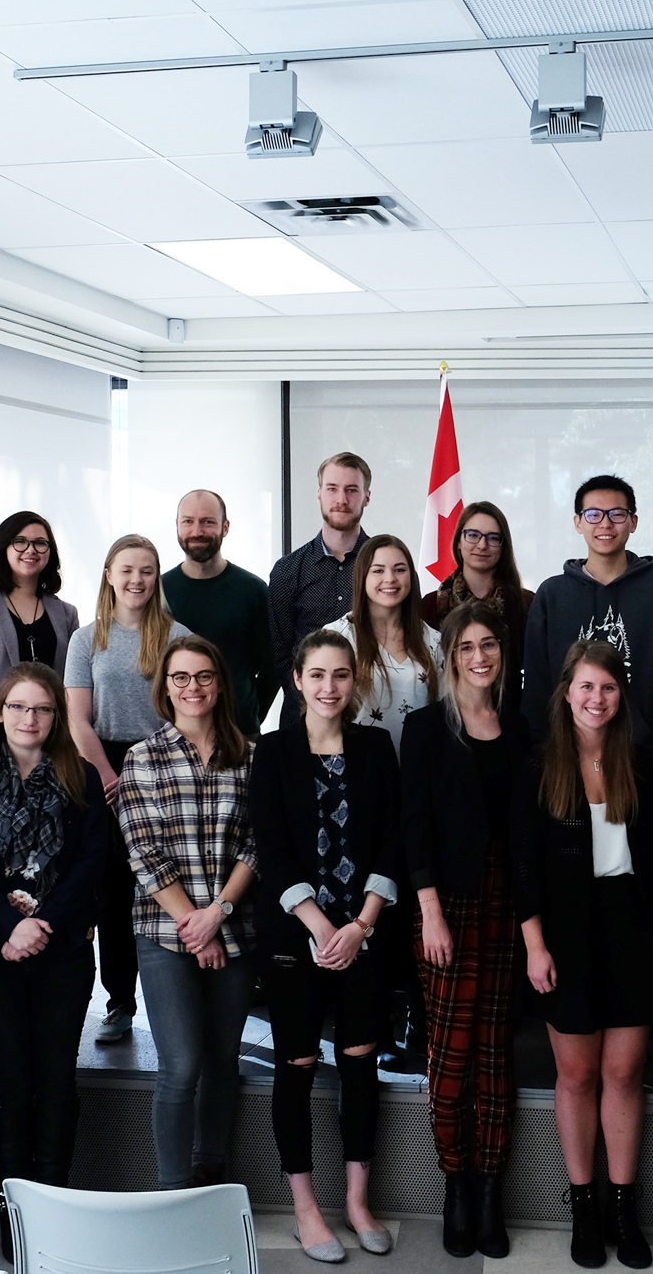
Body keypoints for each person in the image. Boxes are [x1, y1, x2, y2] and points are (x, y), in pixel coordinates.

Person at [513, 641, 653, 1271]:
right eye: (585, 687)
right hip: (563, 935)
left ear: (621, 696)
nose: (596, 699)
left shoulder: (643, 762)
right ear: (565, 693)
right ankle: (583, 1205)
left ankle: (623, 1205)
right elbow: (523, 868)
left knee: (623, 1074)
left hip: (632, 929)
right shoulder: (539, 767)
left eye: (607, 688)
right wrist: (534, 945)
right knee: (577, 1075)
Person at [247, 630, 402, 1262]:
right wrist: (319, 926)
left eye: (340, 675)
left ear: (354, 680)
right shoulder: (274, 751)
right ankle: (307, 1211)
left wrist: (360, 926)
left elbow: (393, 840)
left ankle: (358, 1203)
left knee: (361, 1063)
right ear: (297, 679)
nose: (329, 687)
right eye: (317, 675)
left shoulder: (376, 746)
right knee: (298, 1067)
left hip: (364, 932)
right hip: (297, 936)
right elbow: (272, 847)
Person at [0, 664, 110, 1220]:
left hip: (61, 950)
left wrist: (41, 923)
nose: (29, 718)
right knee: (13, 1080)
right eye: (18, 707)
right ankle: (16, 1207)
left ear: (55, 718)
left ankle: (53, 1202)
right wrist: (10, 925)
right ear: (0, 714)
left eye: (41, 708)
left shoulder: (81, 778)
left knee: (56, 1079)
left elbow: (93, 862)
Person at [401, 601, 529, 1258]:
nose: (479, 657)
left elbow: (526, 835)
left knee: (493, 1058)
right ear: (448, 656)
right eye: (466, 647)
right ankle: (455, 1182)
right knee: (449, 1062)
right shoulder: (425, 728)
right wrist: (427, 913)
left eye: (489, 645)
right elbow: (414, 827)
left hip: (506, 904)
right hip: (444, 905)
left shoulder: (519, 725)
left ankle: (489, 1189)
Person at [117, 637, 259, 1190]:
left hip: (236, 928)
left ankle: (211, 1166)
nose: (193, 687)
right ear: (165, 687)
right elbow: (142, 852)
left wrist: (218, 914)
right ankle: (174, 1189)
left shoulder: (250, 754)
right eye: (180, 678)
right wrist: (198, 929)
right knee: (181, 1065)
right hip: (164, 933)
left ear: (220, 684)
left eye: (204, 676)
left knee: (224, 1058)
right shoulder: (142, 757)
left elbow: (259, 844)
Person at [67, 533, 193, 1043]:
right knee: (114, 889)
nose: (137, 579)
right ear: (109, 575)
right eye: (127, 570)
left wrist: (149, 770)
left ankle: (181, 996)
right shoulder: (86, 638)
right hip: (104, 765)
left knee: (167, 879)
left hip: (166, 761)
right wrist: (107, 775)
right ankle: (119, 1001)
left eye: (146, 570)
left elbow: (189, 707)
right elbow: (77, 718)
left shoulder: (177, 636)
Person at [523, 474, 653, 753]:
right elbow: (537, 686)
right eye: (593, 514)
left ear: (633, 522)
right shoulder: (552, 594)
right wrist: (541, 753)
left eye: (617, 514)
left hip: (647, 754)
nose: (605, 523)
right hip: (567, 757)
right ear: (578, 522)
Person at [161, 488, 279, 733]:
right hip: (174, 734)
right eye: (188, 522)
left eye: (207, 522)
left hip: (239, 734)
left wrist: (251, 714)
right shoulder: (159, 591)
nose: (197, 531)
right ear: (176, 526)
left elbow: (272, 665)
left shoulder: (253, 590)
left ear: (225, 527)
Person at [269, 452, 374, 715]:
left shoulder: (387, 570)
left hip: (374, 713)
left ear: (367, 497)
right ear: (319, 494)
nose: (341, 500)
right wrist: (314, 701)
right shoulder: (287, 571)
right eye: (332, 489)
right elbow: (279, 655)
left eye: (352, 490)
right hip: (302, 718)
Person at [329, 533, 445, 752]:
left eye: (400, 569)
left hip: (419, 767)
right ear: (362, 576)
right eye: (378, 570)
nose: (390, 578)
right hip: (360, 767)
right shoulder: (337, 638)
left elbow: (446, 711)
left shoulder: (434, 641)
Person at [0, 511, 80, 680]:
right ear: (4, 548)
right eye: (20, 542)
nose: (31, 550)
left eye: (40, 543)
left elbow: (73, 679)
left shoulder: (67, 614)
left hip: (51, 706)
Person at [425, 500, 534, 678]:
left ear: (503, 546)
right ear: (459, 541)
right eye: (473, 535)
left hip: (512, 704)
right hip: (445, 703)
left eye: (493, 538)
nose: (482, 545)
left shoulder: (527, 605)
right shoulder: (430, 606)